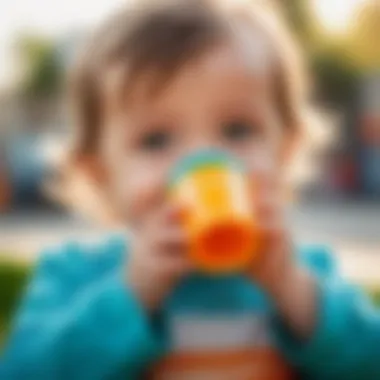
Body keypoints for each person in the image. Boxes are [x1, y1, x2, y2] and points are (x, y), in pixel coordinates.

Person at [2, 0, 379, 379]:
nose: (205, 162)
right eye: (155, 140)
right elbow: (25, 371)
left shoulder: (308, 275)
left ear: (284, 152)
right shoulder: (77, 275)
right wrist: (132, 293)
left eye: (237, 130)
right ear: (100, 173)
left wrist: (297, 295)